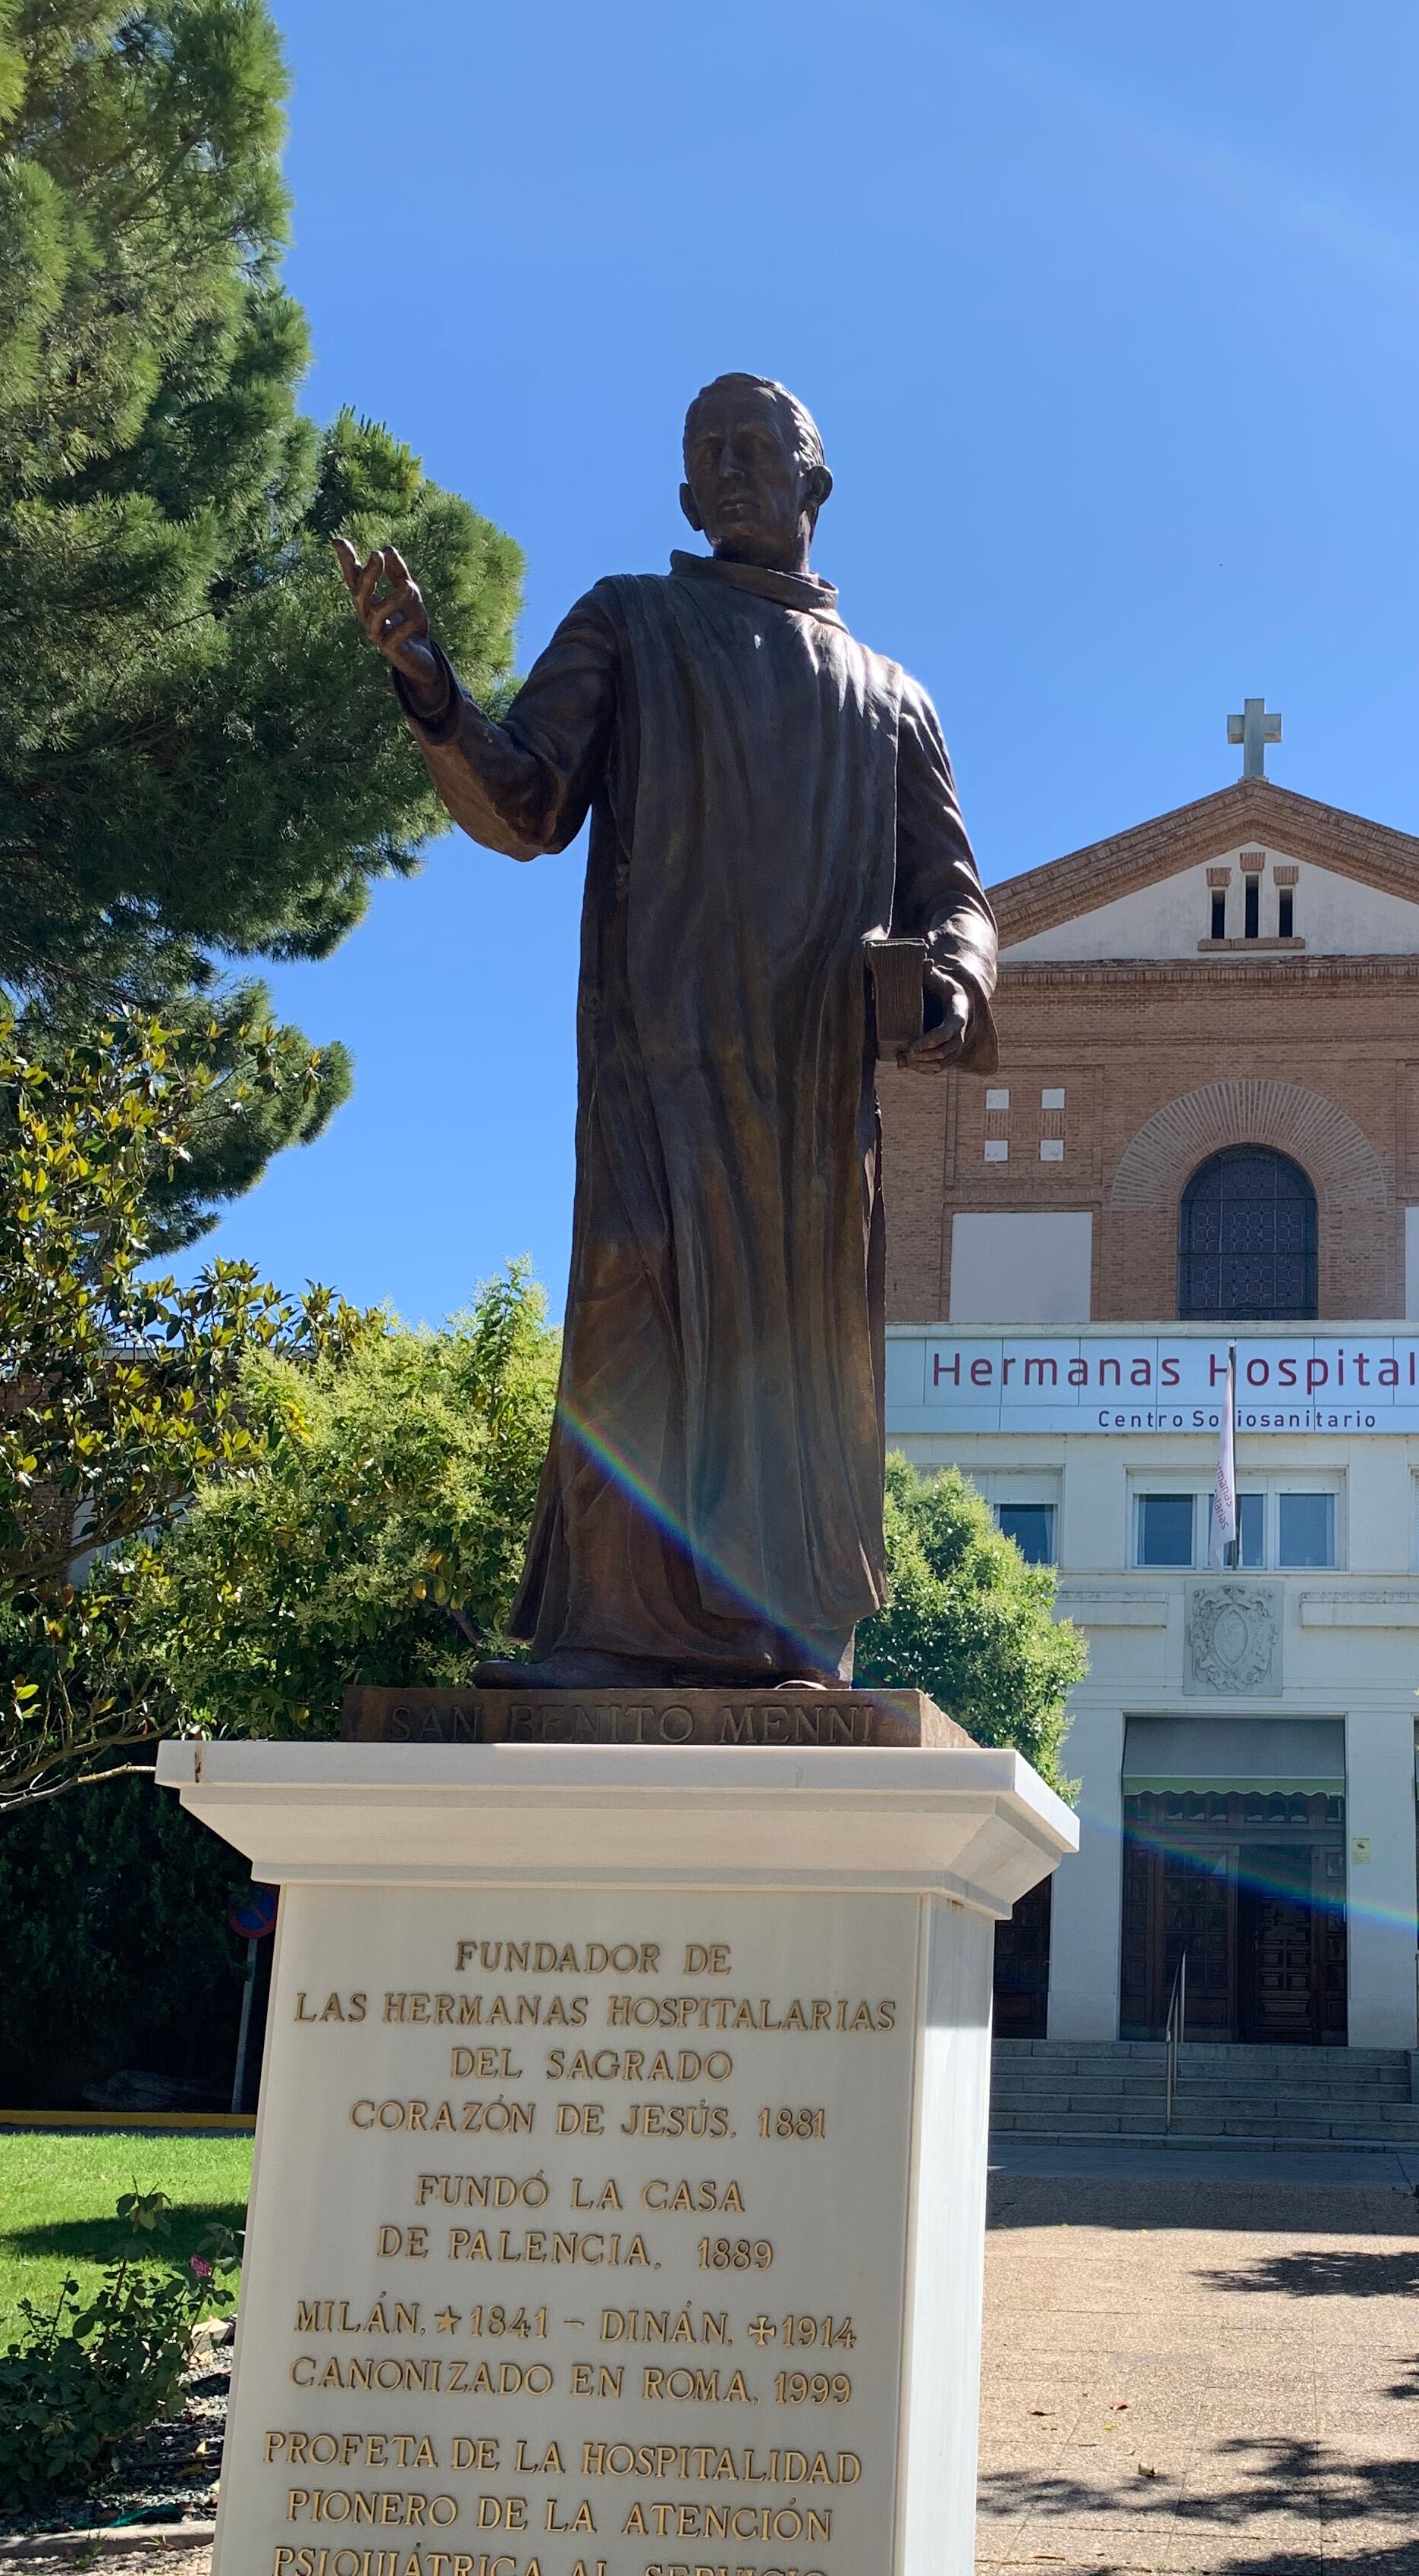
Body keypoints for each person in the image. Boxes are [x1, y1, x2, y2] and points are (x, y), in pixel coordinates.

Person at [335, 374, 997, 1689]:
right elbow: (527, 801)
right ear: (687, 497)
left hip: (809, 1106)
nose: (733, 470)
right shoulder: (630, 623)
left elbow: (958, 899)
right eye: (709, 455)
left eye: (759, 448)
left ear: (815, 484)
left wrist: (952, 984)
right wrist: (432, 691)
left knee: (790, 1366)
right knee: (630, 1301)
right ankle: (609, 1636)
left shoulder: (891, 699)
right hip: (656, 1070)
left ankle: (791, 1639)